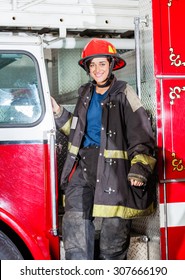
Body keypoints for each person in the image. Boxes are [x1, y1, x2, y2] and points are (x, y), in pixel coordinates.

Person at [51, 38, 156, 260]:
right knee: (75, 229)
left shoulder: (124, 93)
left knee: (113, 240)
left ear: (111, 64)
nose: (96, 69)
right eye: (92, 65)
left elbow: (141, 133)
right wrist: (58, 111)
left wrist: (139, 169)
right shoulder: (85, 94)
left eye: (101, 63)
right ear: (87, 68)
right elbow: (78, 131)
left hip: (115, 173)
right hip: (82, 169)